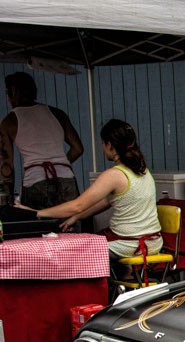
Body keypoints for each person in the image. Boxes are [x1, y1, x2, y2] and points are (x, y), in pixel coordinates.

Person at [18, 119, 161, 262]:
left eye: (103, 143)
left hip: (128, 245)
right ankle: (121, 277)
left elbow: (77, 205)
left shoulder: (115, 175)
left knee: (72, 253)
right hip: (154, 242)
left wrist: (37, 213)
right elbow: (106, 201)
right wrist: (77, 217)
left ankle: (107, 281)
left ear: (109, 145)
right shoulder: (142, 170)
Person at [1, 71, 84, 208]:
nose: (8, 99)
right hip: (66, 179)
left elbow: (6, 167)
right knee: (71, 226)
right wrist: (59, 163)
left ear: (14, 91)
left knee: (39, 227)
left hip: (35, 182)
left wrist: (8, 198)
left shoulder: (9, 122)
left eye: (7, 93)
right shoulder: (57, 113)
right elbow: (78, 148)